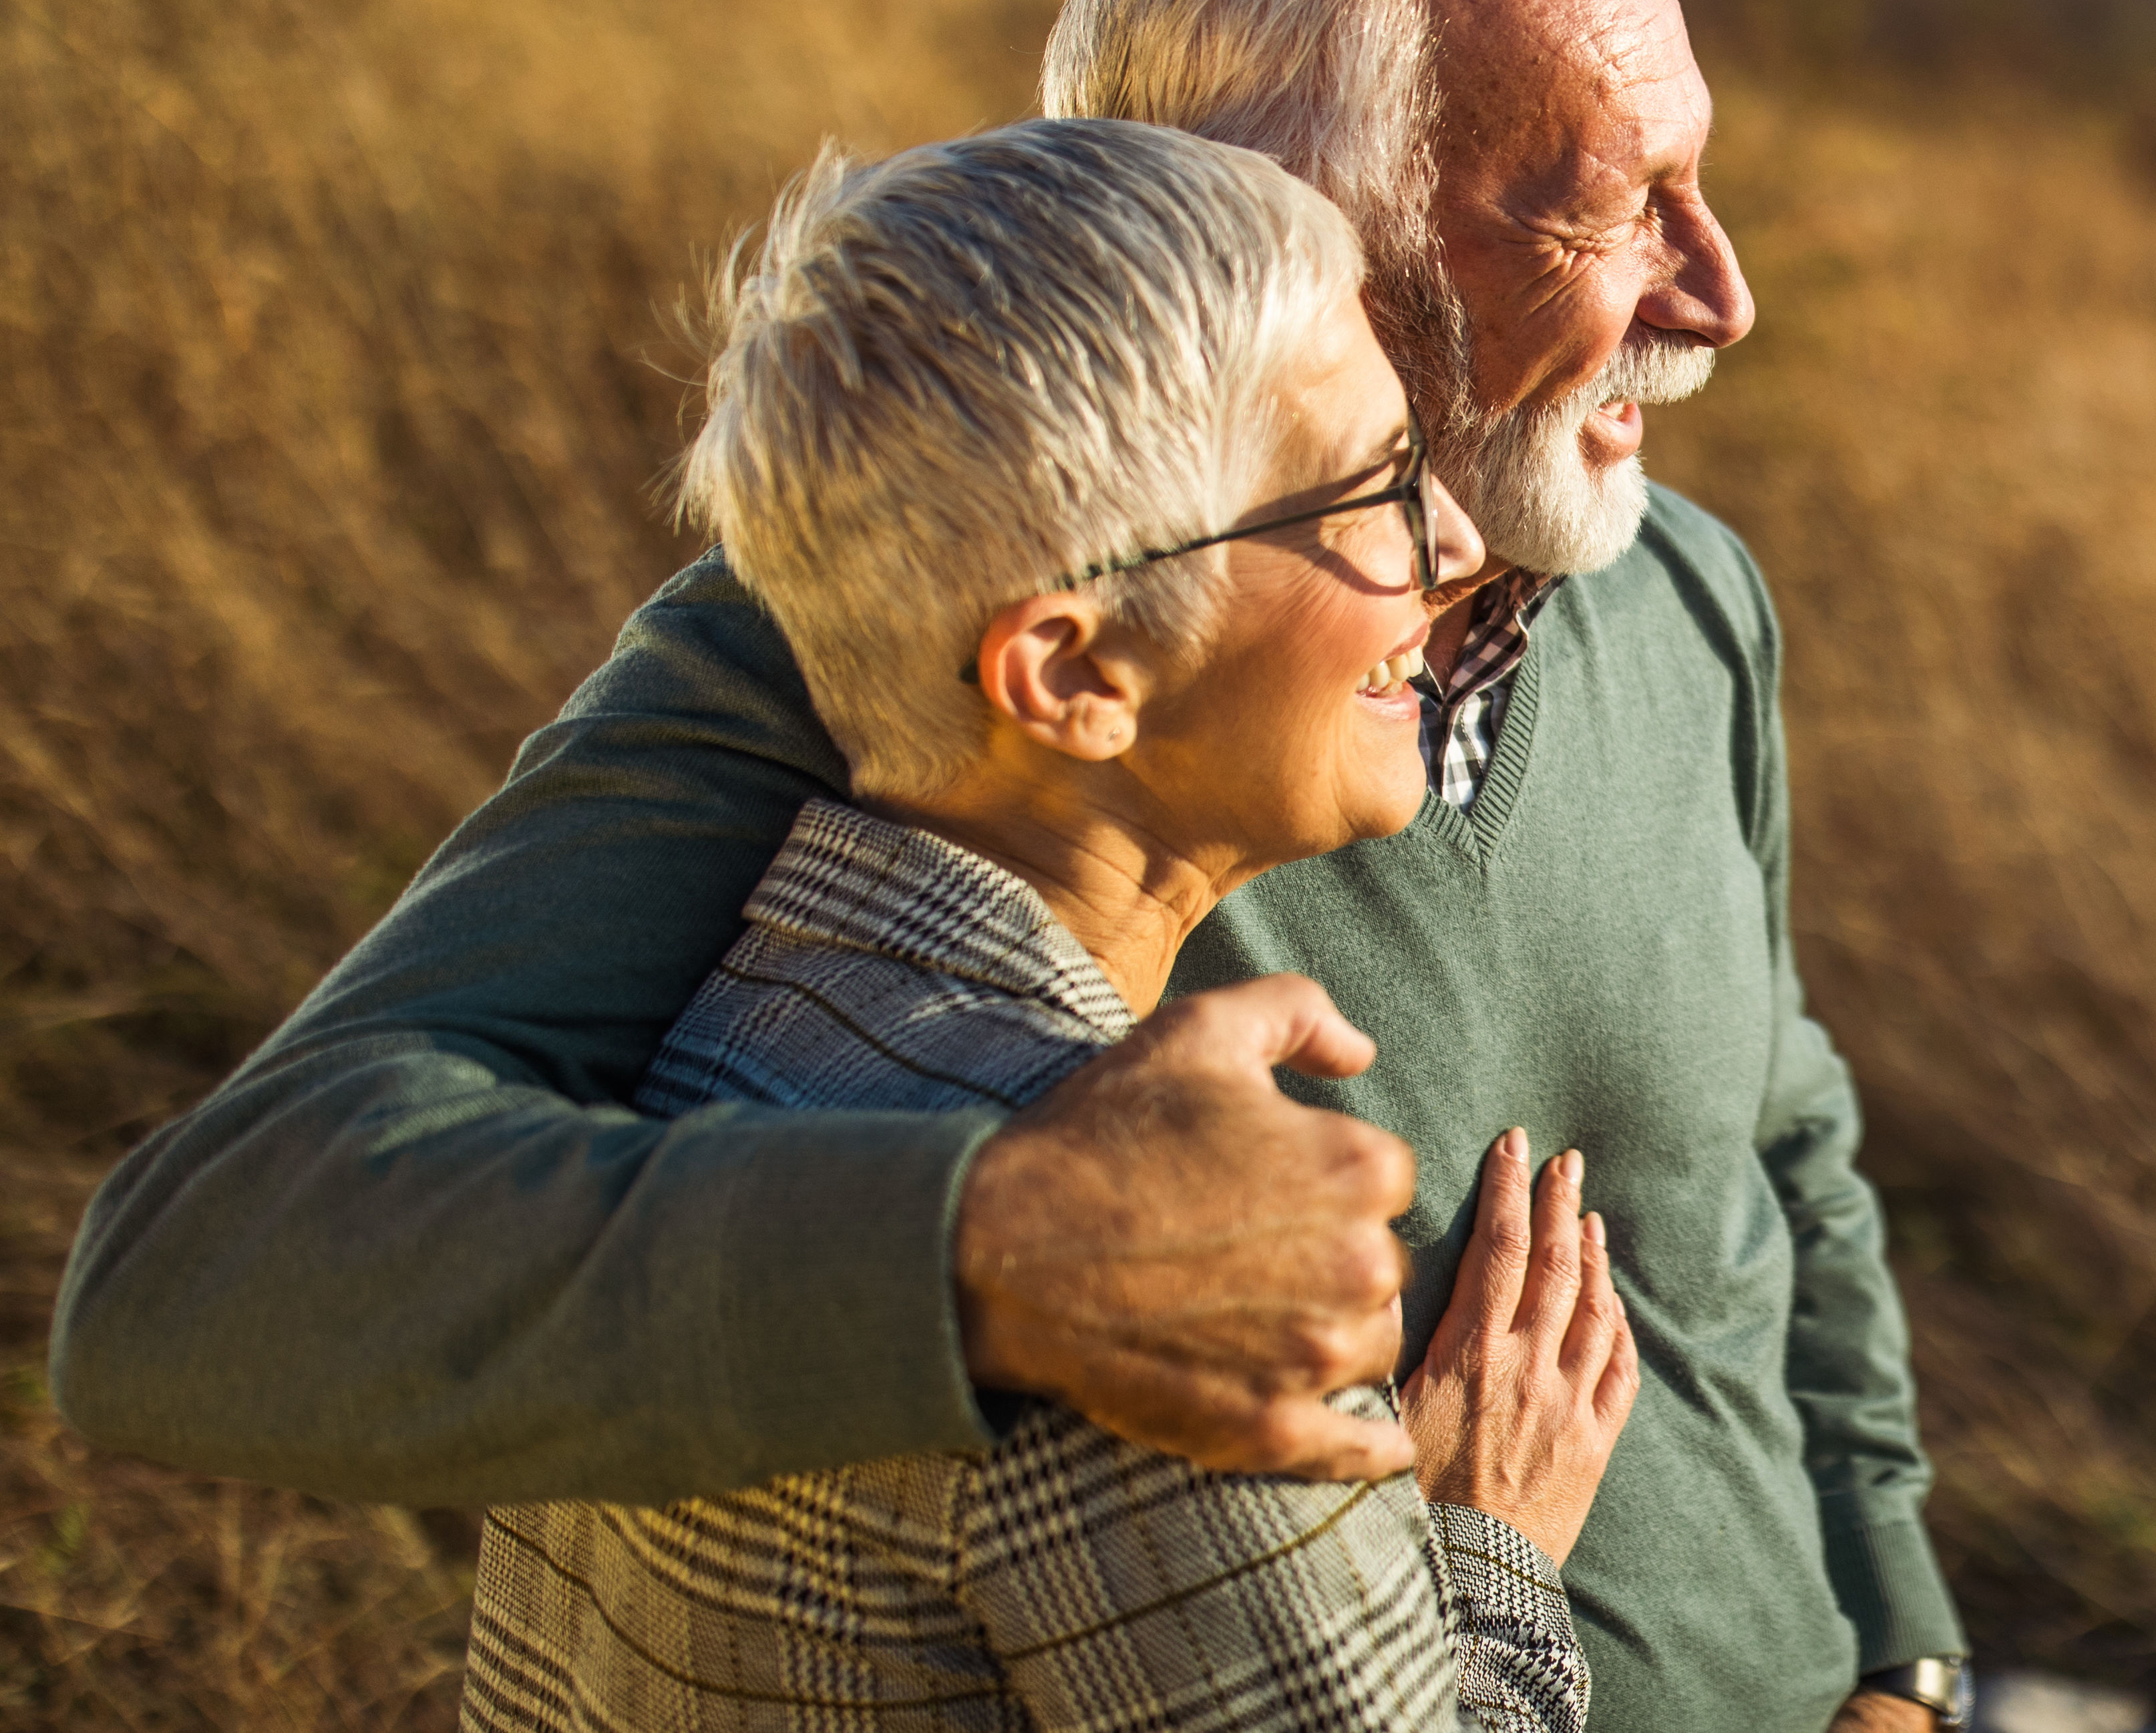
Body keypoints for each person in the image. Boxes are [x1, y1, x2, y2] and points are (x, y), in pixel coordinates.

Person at [54, 0, 1970, 1733]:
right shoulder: (891, 634)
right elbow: (210, 1279)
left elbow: (1779, 1145)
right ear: (1270, 222)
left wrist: (1902, 1655)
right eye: (1603, 205)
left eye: (1700, 175)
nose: (1722, 296)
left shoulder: (1688, 594)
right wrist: (990, 1245)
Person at [466, 118, 1628, 1730]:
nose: (1447, 549)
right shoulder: (1164, 1285)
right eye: (1367, 490)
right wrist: (1487, 1549)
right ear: (1073, 673)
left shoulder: (681, 1043)